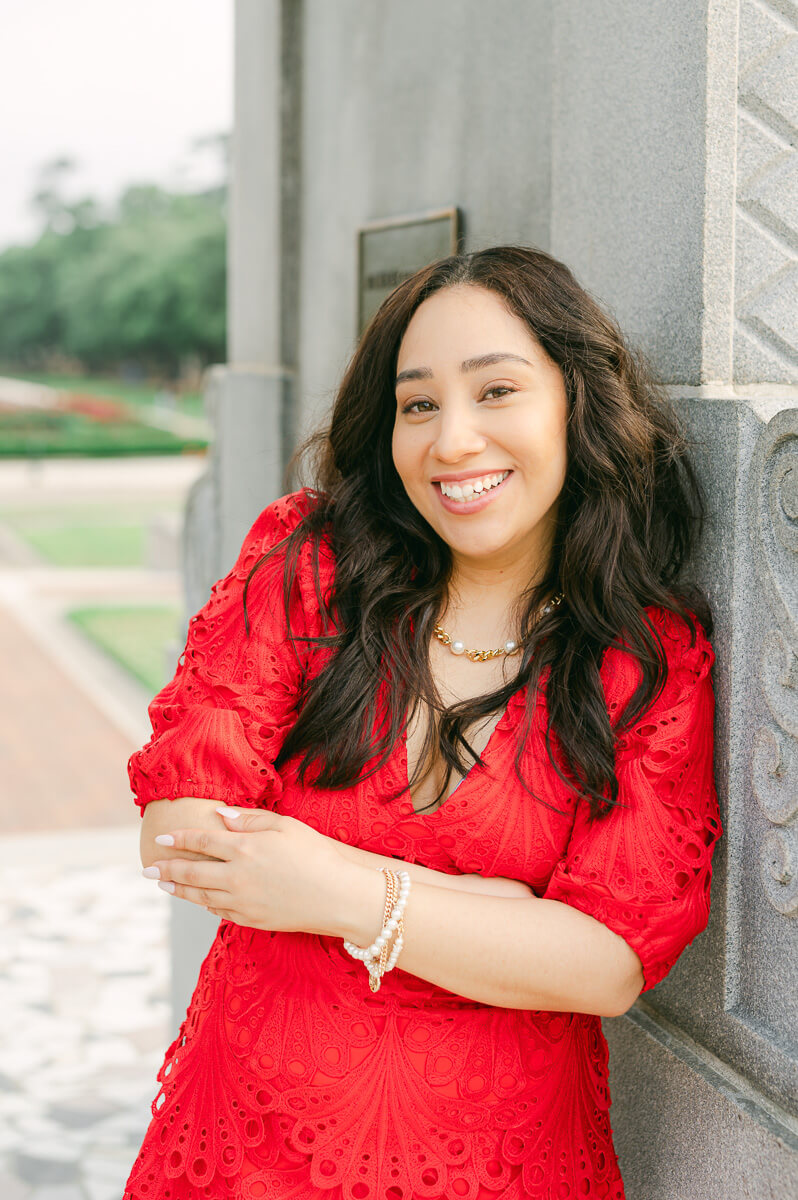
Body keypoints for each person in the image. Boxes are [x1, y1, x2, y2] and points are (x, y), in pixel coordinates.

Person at [123, 245, 723, 1200]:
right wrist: (500, 916)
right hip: (245, 1148)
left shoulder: (645, 657)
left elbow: (606, 965)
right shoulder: (311, 566)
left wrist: (338, 887)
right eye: (418, 404)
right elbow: (183, 831)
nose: (452, 442)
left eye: (495, 392)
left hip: (502, 1165)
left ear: (576, 401)